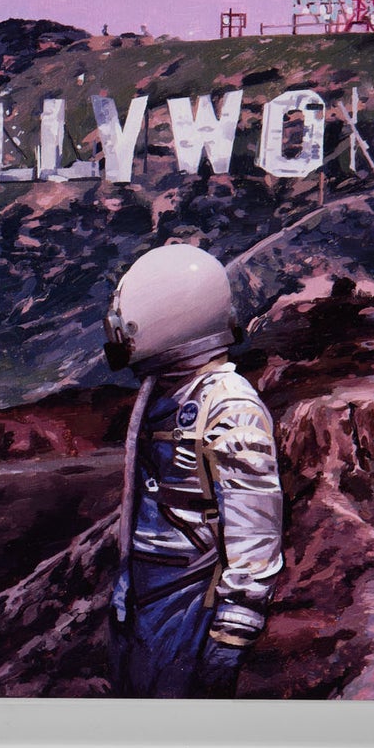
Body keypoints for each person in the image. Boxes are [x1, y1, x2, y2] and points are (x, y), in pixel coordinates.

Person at [102, 244, 284, 698]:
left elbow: (254, 529)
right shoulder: (163, 393)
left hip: (193, 599)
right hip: (151, 593)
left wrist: (234, 629)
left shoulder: (230, 405)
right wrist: (127, 579)